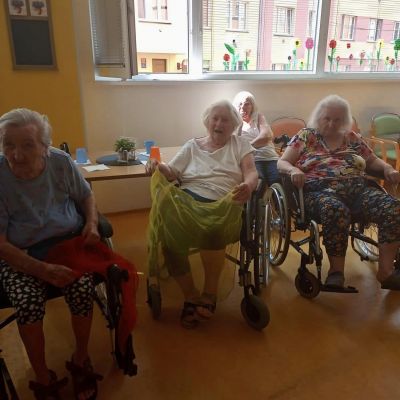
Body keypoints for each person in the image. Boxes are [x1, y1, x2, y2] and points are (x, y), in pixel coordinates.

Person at [0, 108, 102, 399]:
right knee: (28, 302)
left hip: (65, 243)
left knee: (82, 288)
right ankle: (42, 376)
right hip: (19, 252)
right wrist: (42, 270)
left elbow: (86, 195)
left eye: (27, 145)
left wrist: (92, 223)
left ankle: (81, 358)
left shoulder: (60, 162)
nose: (16, 154)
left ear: (45, 147)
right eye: (8, 144)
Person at [146, 100, 258, 328]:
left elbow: (251, 172)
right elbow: (172, 172)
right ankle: (191, 296)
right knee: (169, 234)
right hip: (189, 199)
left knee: (213, 228)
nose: (219, 124)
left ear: (234, 124)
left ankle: (209, 293)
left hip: (223, 202)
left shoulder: (240, 144)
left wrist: (248, 185)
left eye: (225, 120)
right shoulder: (192, 146)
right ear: (207, 121)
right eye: (215, 118)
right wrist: (158, 165)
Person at [277, 94, 400, 289]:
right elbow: (282, 162)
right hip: (319, 192)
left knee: (393, 208)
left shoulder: (352, 138)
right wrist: (293, 170)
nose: (331, 123)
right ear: (319, 117)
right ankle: (336, 272)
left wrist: (388, 169)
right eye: (327, 118)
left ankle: (386, 272)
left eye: (337, 119)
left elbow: (372, 161)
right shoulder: (306, 136)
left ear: (345, 121)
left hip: (358, 191)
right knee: (335, 209)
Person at [233, 91, 280, 186]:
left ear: (252, 106)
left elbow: (266, 136)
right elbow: (234, 144)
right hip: (252, 160)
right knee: (259, 182)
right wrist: (240, 123)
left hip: (270, 157)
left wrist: (247, 148)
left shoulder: (259, 117)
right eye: (240, 104)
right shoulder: (234, 122)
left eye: (247, 104)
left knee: (277, 180)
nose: (243, 107)